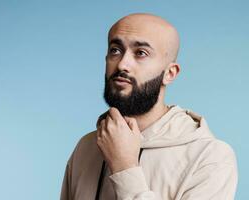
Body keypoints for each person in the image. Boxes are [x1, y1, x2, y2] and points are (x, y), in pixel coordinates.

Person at [60, 13, 238, 200]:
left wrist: (124, 167)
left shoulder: (210, 157)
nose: (122, 64)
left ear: (170, 73)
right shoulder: (87, 146)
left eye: (141, 53)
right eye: (115, 50)